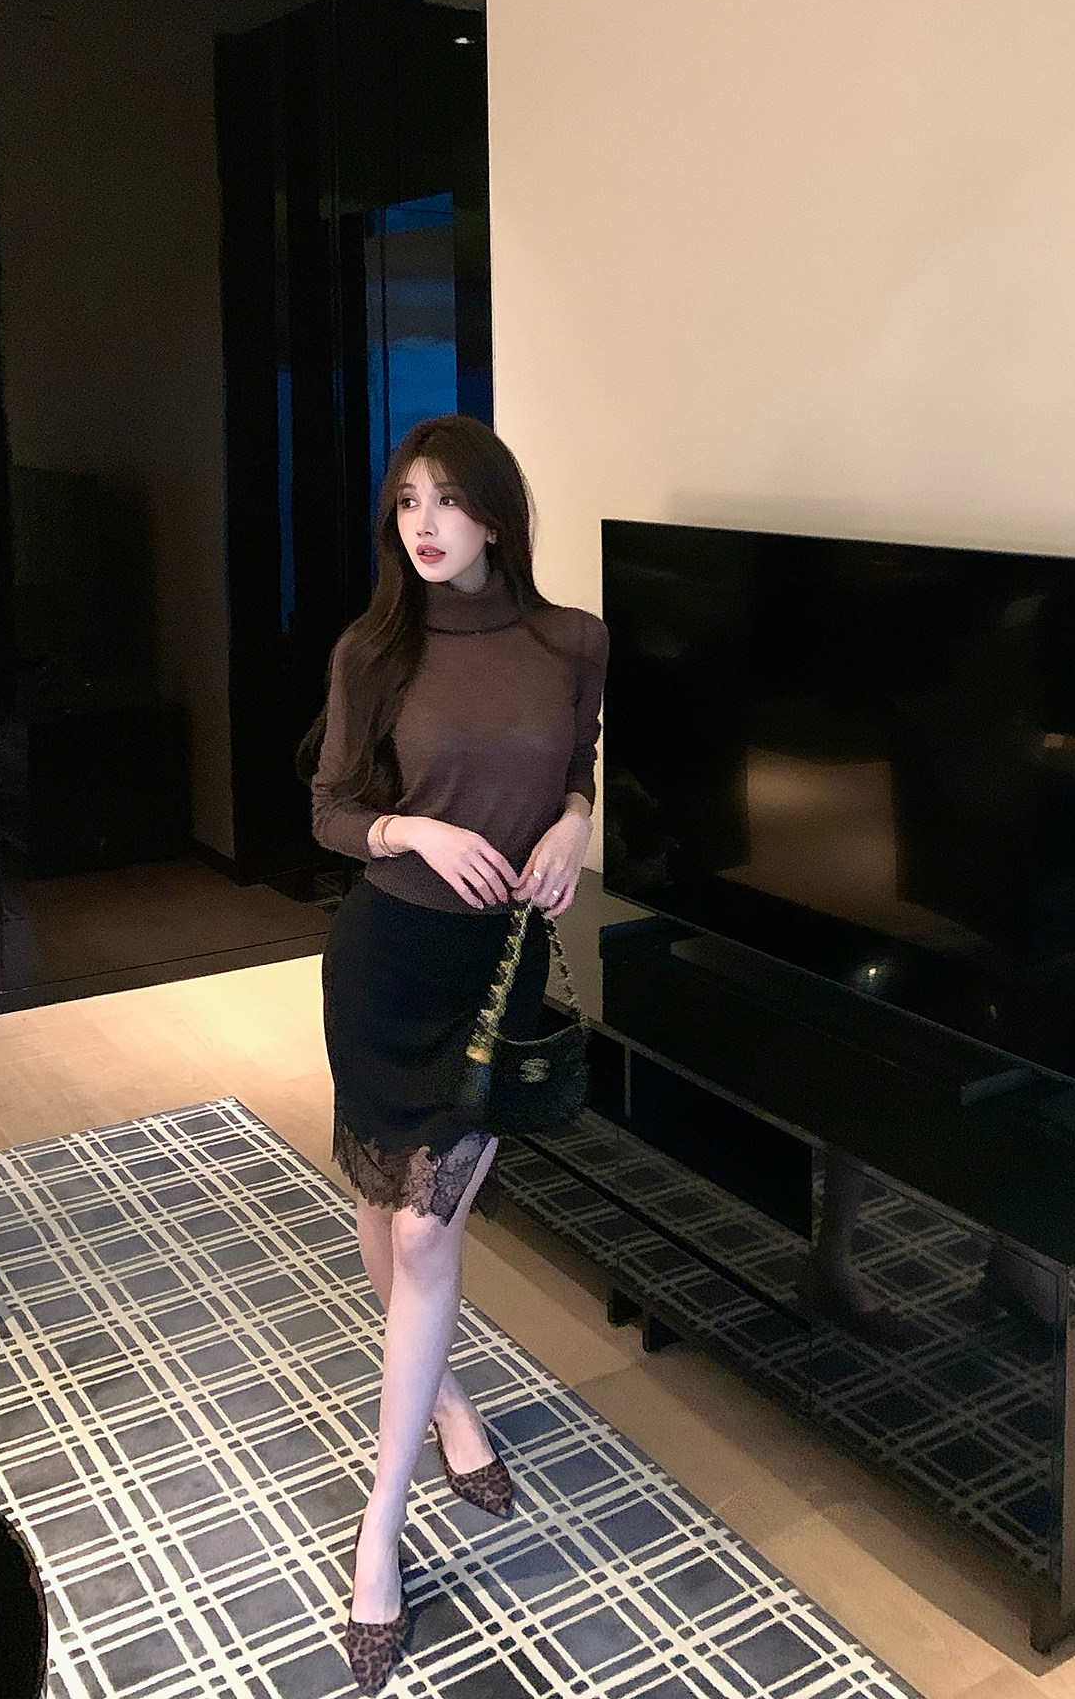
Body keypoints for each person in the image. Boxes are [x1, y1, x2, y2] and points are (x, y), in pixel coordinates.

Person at [304, 414, 607, 1692]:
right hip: (386, 959)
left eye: (447, 499)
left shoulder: (571, 640)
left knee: (428, 1230)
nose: (424, 524)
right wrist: (413, 831)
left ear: (495, 511)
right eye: (406, 501)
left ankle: (379, 1528)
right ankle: (443, 1401)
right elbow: (330, 809)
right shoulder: (374, 648)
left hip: (494, 973)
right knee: (386, 1198)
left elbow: (575, 766)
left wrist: (575, 821)